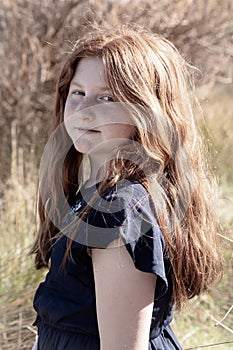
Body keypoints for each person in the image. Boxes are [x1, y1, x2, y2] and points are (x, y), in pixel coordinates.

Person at [30, 26, 222, 350]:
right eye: (77, 93)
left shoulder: (117, 211)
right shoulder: (95, 192)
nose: (83, 110)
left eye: (106, 97)